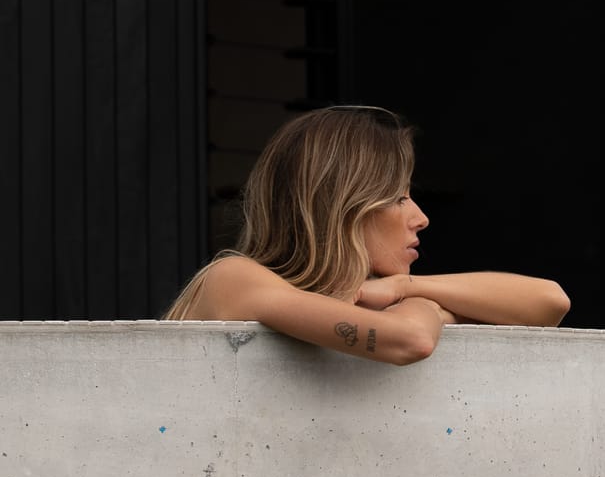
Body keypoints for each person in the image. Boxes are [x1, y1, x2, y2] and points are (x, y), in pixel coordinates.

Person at [165, 102, 569, 361]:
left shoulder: (368, 298)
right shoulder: (235, 279)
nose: (422, 217)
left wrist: (405, 288)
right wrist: (431, 308)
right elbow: (411, 341)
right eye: (398, 197)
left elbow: (550, 302)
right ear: (345, 205)